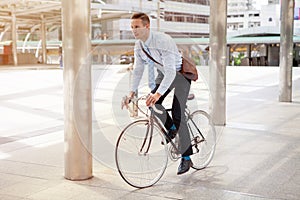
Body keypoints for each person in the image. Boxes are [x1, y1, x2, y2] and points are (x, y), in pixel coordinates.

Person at [124, 12, 193, 175]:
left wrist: (158, 93)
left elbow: (171, 71)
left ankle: (187, 158)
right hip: (164, 75)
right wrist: (132, 91)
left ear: (147, 26)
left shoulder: (163, 40)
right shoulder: (139, 45)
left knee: (178, 113)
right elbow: (138, 69)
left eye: (137, 27)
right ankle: (172, 129)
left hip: (180, 75)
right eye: (132, 27)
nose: (134, 30)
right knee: (152, 104)